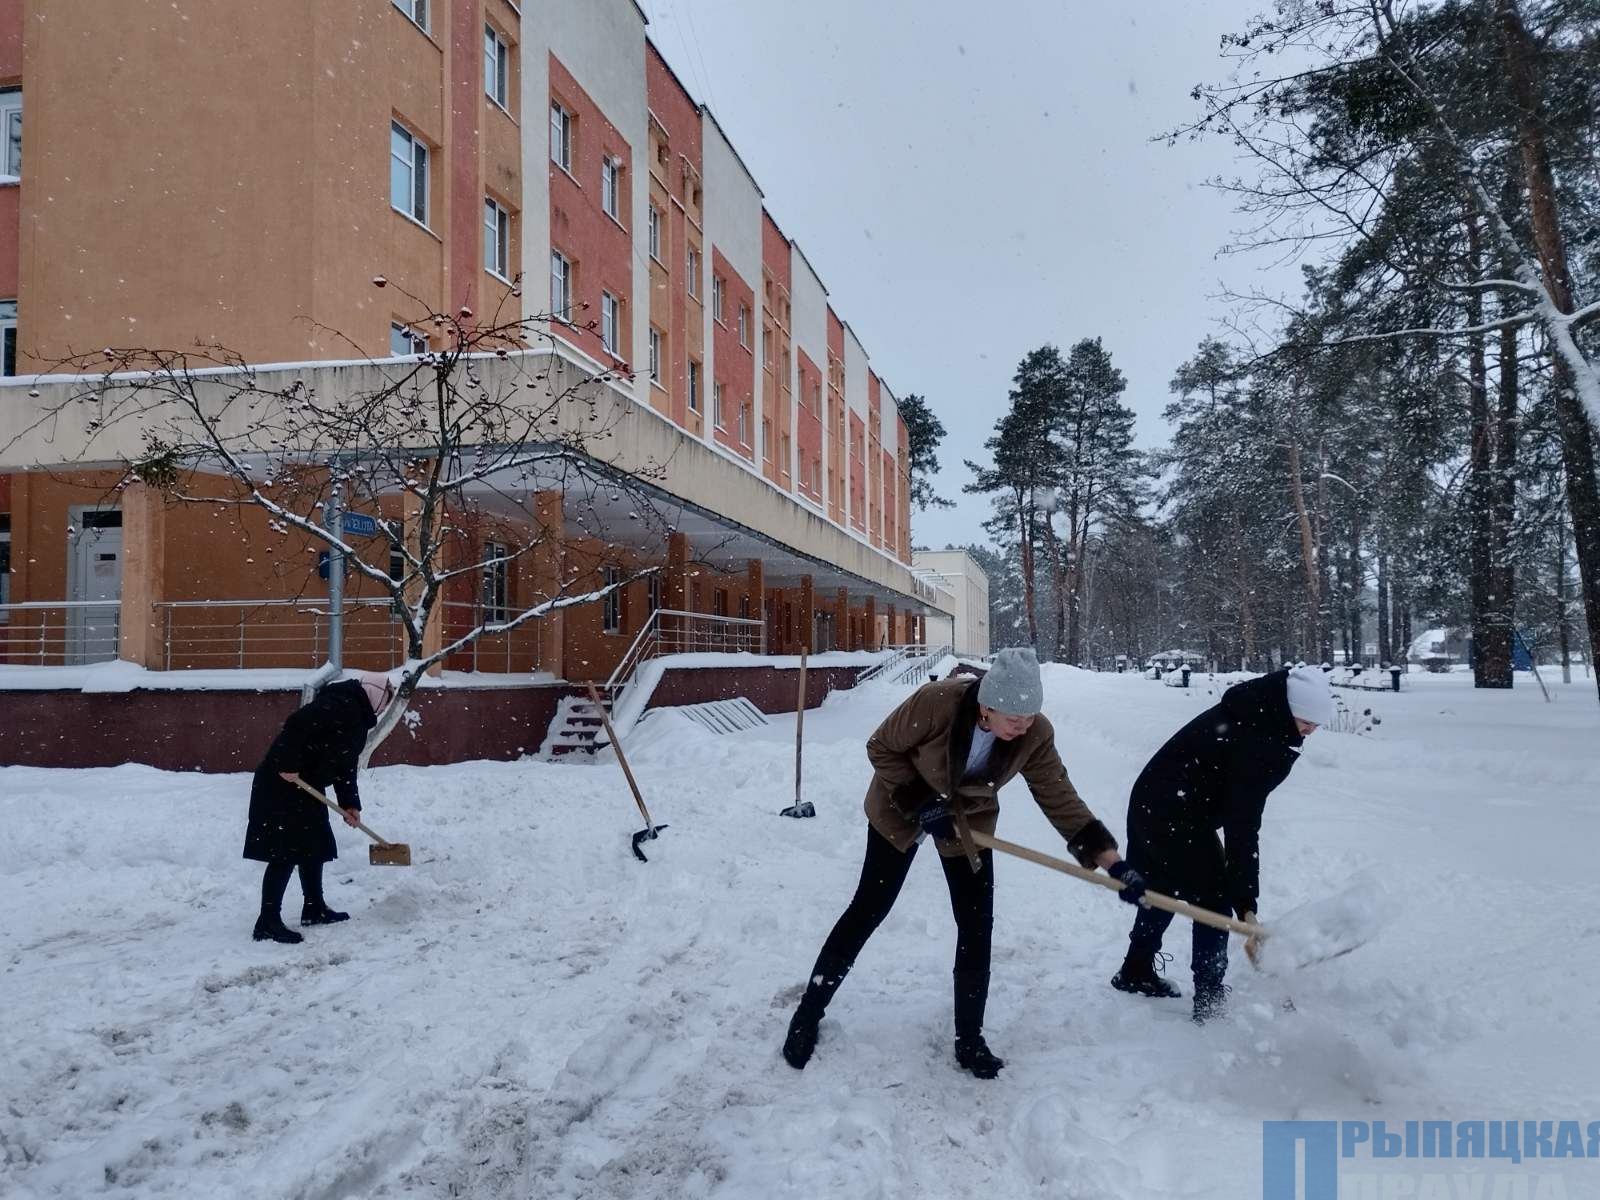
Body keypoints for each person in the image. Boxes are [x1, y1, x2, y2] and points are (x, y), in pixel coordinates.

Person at [781, 647, 1145, 1078]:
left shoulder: (1034, 733)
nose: (1023, 727)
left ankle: (969, 1039)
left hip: (967, 827)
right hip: (899, 811)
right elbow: (881, 747)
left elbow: (1059, 797)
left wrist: (1114, 863)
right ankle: (808, 1013)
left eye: (1030, 718)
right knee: (869, 909)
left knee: (976, 924)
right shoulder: (938, 703)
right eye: (1015, 719)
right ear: (987, 707)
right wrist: (920, 802)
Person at [1109, 664, 1332, 1022]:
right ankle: (1209, 998)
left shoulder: (1258, 713)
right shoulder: (1259, 738)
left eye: (1317, 722)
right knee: (1212, 898)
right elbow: (1242, 825)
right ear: (1288, 708)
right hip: (1172, 809)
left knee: (1161, 887)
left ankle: (1135, 970)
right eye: (1307, 720)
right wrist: (1244, 899)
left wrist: (1245, 896)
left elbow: (1238, 814)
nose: (1311, 730)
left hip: (1155, 800)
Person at [243, 672, 393, 944]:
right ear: (374, 694)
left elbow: (345, 765)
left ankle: (314, 907)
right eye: (385, 701)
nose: (383, 708)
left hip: (306, 784)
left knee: (315, 846)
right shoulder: (341, 704)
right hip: (283, 781)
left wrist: (350, 803)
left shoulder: (356, 717)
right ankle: (267, 921)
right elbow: (297, 724)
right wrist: (288, 763)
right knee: (285, 851)